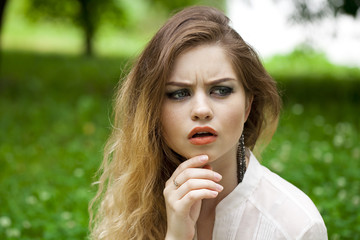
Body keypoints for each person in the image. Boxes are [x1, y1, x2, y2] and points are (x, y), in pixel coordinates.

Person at [89, 6, 327, 240]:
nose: (201, 110)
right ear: (152, 112)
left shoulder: (295, 226)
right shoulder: (134, 209)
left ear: (247, 106)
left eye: (221, 90)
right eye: (179, 93)